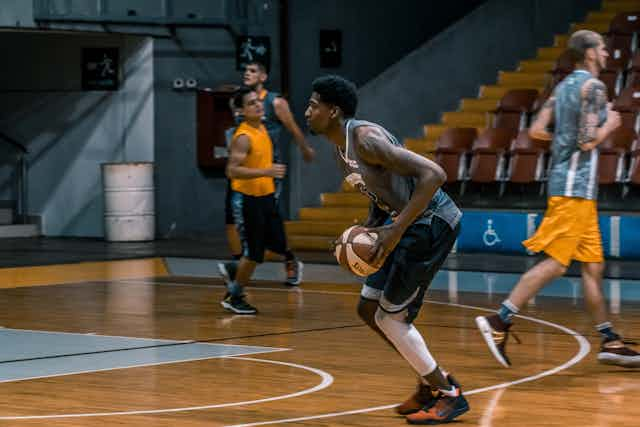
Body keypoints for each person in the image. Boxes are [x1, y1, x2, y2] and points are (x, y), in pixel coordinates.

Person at [305, 75, 469, 424]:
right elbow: (381, 197)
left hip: (431, 224)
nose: (307, 112)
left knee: (389, 318)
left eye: (312, 105)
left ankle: (449, 394)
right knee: (368, 309)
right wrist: (367, 229)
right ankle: (429, 382)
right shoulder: (340, 148)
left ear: (333, 111)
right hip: (404, 224)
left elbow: (434, 174)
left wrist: (393, 232)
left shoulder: (366, 139)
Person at [475, 30, 640, 368]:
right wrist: (609, 125)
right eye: (604, 49)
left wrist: (562, 139)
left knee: (593, 267)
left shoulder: (561, 89)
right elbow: (586, 141)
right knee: (558, 263)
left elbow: (535, 130)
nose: (608, 54)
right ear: (590, 53)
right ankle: (500, 320)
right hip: (574, 190)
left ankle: (610, 340)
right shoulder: (593, 88)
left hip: (570, 187)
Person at [221, 61, 312, 286]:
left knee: (269, 231)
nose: (246, 74)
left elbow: (292, 126)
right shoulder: (245, 114)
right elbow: (233, 164)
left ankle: (285, 261)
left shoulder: (273, 104)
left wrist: (305, 148)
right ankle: (237, 271)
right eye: (245, 70)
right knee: (237, 226)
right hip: (248, 175)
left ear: (263, 76)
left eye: (252, 71)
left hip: (268, 172)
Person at [220, 86, 299, 314]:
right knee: (254, 253)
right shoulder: (243, 137)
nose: (258, 105)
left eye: (258, 101)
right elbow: (232, 171)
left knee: (279, 245)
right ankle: (234, 296)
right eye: (251, 103)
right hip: (248, 200)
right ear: (242, 111)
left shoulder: (262, 128)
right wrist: (266, 171)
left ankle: (234, 268)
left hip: (266, 198)